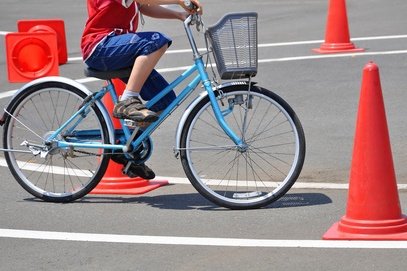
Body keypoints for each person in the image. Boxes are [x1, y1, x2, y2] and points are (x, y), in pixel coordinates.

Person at [81, 0, 202, 179]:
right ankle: (128, 100)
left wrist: (179, 14)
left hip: (118, 48)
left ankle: (130, 149)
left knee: (165, 100)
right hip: (100, 46)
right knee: (156, 41)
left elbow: (143, 6)